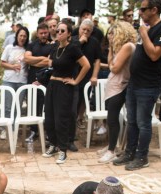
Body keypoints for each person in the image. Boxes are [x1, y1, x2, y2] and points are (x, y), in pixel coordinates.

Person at [112, 0, 161, 171]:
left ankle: (142, 156)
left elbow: (154, 55)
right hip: (135, 83)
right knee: (131, 121)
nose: (140, 12)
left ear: (154, 10)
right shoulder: (146, 28)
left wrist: (144, 34)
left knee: (143, 123)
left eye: (143, 9)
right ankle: (129, 152)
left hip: (149, 85)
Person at [42, 21, 90, 165]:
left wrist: (75, 81)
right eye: (57, 31)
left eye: (62, 31)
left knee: (60, 119)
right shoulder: (55, 47)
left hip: (64, 86)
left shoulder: (73, 48)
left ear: (69, 33)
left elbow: (86, 65)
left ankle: (62, 149)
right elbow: (49, 64)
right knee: (49, 117)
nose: (59, 33)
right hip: (52, 85)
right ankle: (53, 145)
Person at [98, 21, 137, 164]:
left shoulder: (128, 46)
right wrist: (111, 49)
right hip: (114, 85)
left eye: (112, 33)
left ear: (121, 33)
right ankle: (111, 146)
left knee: (113, 119)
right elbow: (111, 65)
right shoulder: (119, 48)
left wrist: (112, 53)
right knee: (111, 118)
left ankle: (111, 151)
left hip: (120, 86)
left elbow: (114, 68)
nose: (109, 36)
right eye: (108, 33)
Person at [74, 19, 102, 152]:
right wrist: (80, 42)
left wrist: (94, 75)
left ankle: (80, 118)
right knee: (72, 102)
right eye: (83, 29)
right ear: (79, 28)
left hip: (87, 76)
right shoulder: (73, 40)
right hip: (73, 76)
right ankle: (71, 130)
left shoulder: (95, 42)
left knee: (83, 101)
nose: (85, 32)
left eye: (88, 31)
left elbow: (97, 60)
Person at [23, 22, 52, 143]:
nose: (44, 35)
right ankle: (34, 132)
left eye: (45, 33)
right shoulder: (31, 45)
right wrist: (42, 59)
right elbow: (26, 59)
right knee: (33, 106)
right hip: (32, 79)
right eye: (41, 33)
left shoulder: (52, 45)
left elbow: (49, 62)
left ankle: (47, 132)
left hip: (46, 80)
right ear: (38, 33)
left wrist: (33, 61)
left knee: (46, 107)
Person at [0, 26, 29, 140]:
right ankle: (5, 129)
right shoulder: (9, 48)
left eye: (25, 36)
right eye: (20, 35)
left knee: (18, 107)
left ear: (27, 38)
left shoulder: (28, 50)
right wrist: (12, 66)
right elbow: (2, 63)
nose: (22, 38)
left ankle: (14, 129)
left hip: (22, 81)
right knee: (7, 107)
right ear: (16, 36)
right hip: (8, 81)